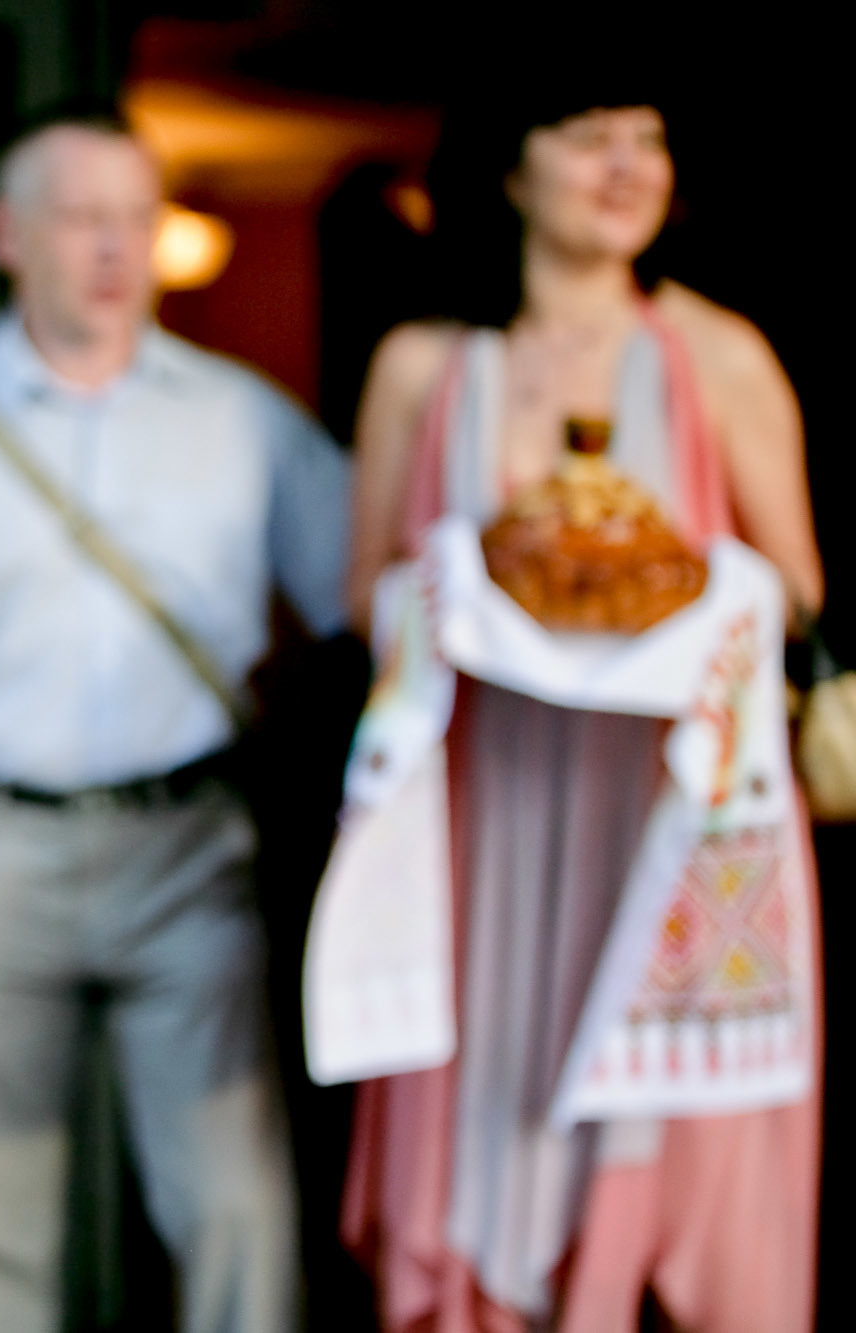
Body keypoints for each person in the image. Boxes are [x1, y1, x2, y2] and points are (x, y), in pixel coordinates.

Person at [0, 111, 349, 1333]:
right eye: (79, 216)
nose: (111, 245)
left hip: (188, 844)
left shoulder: (244, 421)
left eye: (134, 218)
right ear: (5, 235)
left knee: (235, 1204)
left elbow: (376, 600)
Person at [335, 83, 822, 1332]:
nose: (625, 166)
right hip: (485, 809)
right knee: (489, 1082)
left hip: (665, 812)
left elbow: (798, 585)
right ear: (508, 168)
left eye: (648, 139)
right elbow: (362, 598)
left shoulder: (717, 354)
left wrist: (685, 595)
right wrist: (465, 589)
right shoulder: (424, 365)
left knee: (658, 1121)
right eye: (588, 135)